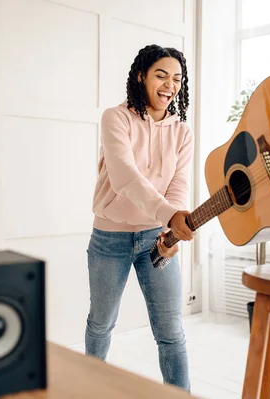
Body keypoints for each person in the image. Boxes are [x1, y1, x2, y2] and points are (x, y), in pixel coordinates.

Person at [85, 44, 194, 392]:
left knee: (171, 332)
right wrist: (171, 215)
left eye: (177, 78)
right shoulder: (115, 118)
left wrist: (169, 232)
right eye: (161, 75)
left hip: (155, 237)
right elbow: (125, 177)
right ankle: (87, 387)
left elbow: (179, 184)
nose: (169, 84)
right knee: (101, 324)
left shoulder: (182, 132)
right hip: (109, 237)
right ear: (140, 76)